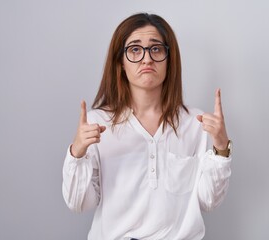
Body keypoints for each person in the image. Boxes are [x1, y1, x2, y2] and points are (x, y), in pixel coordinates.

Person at [62, 13, 232, 240]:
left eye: (156, 49)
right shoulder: (98, 123)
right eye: (134, 49)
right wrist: (77, 153)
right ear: (120, 63)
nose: (146, 59)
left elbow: (208, 201)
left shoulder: (196, 123)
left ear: (169, 60)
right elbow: (79, 203)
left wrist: (221, 148)